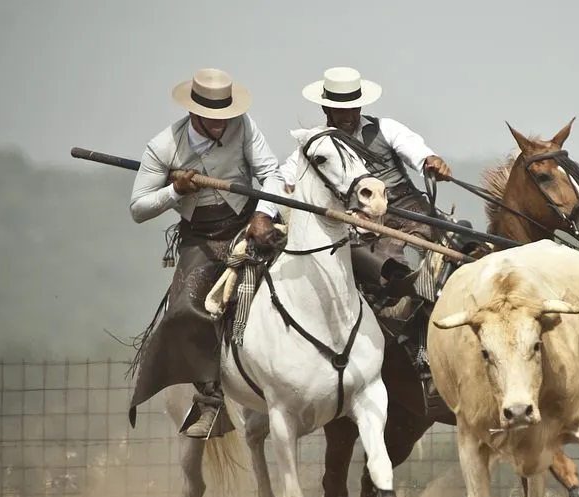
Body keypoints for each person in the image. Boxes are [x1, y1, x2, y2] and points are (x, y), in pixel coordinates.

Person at [126, 67, 286, 439]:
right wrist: (175, 192)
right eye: (212, 117)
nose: (220, 123)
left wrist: (263, 214)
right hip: (200, 236)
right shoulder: (163, 146)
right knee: (185, 309)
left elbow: (272, 174)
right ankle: (210, 399)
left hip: (249, 224)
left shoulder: (244, 126)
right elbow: (138, 208)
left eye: (224, 115)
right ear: (193, 111)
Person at [279, 66, 453, 385]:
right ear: (326, 108)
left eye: (353, 107)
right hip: (361, 225)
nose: (348, 115)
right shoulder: (318, 144)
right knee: (394, 270)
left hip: (409, 211)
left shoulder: (386, 129)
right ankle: (407, 341)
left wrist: (430, 160)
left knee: (452, 254)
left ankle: (432, 332)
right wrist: (275, 200)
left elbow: (416, 150)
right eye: (340, 109)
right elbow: (285, 176)